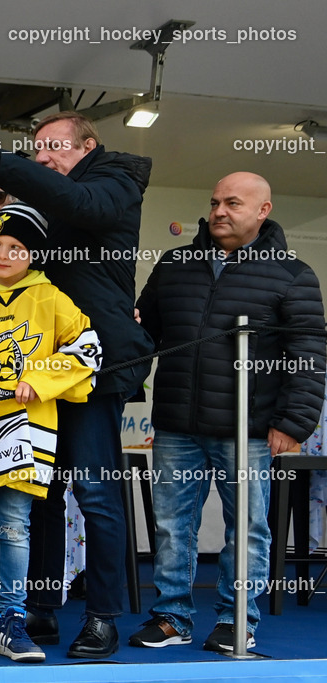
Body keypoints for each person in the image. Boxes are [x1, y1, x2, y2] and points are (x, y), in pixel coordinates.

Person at [0, 111, 154, 658]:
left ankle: (102, 615)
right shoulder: (46, 198)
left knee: (96, 492)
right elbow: (13, 256)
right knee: (40, 494)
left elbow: (80, 206)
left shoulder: (115, 181)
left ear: (88, 144)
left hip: (89, 369)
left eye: (53, 148)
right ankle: (37, 609)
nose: (43, 158)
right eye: (35, 152)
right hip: (26, 381)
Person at [132, 172, 326, 652]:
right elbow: (145, 330)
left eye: (233, 203)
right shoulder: (176, 264)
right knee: (172, 525)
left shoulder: (292, 274)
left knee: (249, 529)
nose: (219, 211)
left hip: (251, 429)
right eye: (215, 202)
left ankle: (236, 620)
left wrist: (294, 422)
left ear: (263, 210)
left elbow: (309, 354)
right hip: (177, 424)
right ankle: (171, 617)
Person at [0, 203, 101, 663]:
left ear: (34, 253)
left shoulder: (53, 298)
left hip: (30, 427)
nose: (4, 255)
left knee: (16, 526)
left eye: (17, 248)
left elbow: (88, 350)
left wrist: (41, 378)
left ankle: (12, 622)